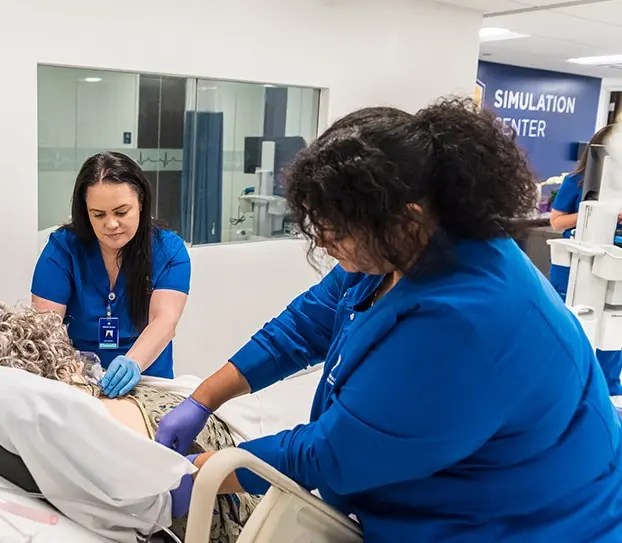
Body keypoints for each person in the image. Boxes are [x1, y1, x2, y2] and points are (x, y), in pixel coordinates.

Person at [156, 99, 622, 541]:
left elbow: (332, 453)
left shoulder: (469, 323)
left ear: (407, 216)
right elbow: (302, 327)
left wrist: (200, 473)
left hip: (529, 525)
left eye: (335, 232)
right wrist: (202, 399)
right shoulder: (397, 252)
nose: (325, 245)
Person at [0, 308, 260, 543]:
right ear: (67, 363)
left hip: (242, 498)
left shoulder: (84, 432)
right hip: (243, 483)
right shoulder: (90, 426)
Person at [31, 152, 191, 398]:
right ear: (86, 212)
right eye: (99, 214)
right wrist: (76, 379)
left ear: (141, 203)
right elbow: (45, 331)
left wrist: (133, 363)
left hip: (148, 381)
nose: (111, 224)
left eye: (121, 212)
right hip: (77, 381)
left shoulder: (168, 250)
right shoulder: (62, 249)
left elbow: (165, 321)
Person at [549, 123, 621, 395]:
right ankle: (571, 386)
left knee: (613, 326)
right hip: (575, 264)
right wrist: (596, 214)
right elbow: (556, 221)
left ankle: (609, 387)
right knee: (575, 325)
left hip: (613, 264)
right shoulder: (576, 181)